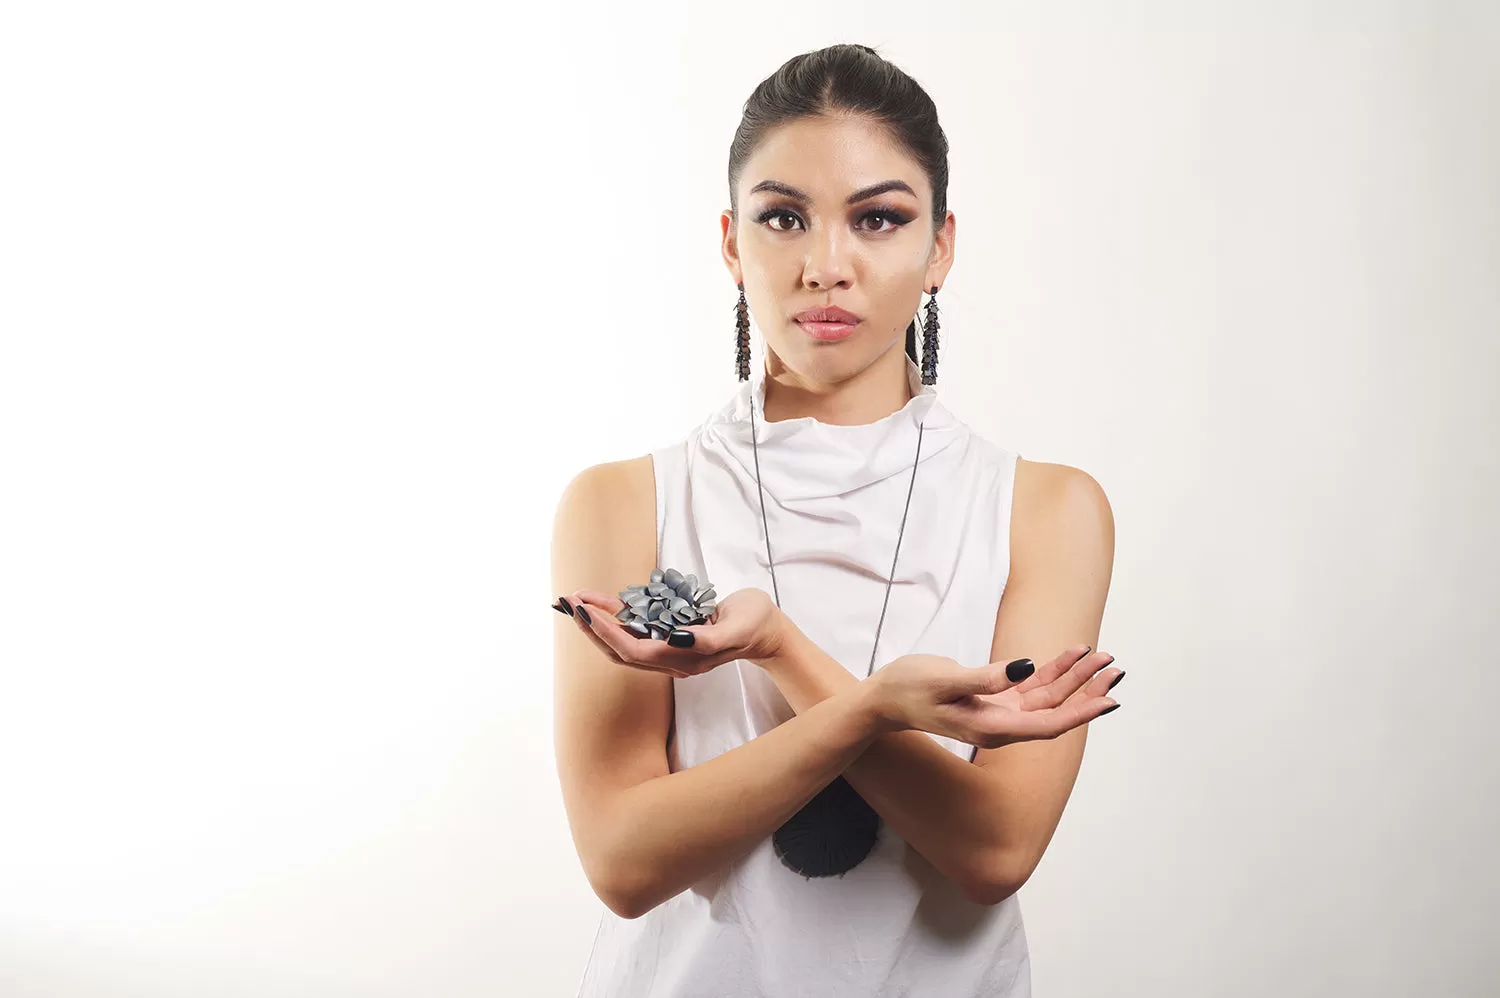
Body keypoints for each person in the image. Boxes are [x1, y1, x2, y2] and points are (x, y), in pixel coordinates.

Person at [549, 43, 1120, 998]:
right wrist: (868, 704)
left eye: (878, 219)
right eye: (783, 218)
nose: (826, 265)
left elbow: (993, 852)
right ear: (733, 244)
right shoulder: (622, 500)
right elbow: (622, 864)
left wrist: (778, 647)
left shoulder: (1046, 509)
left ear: (939, 247)